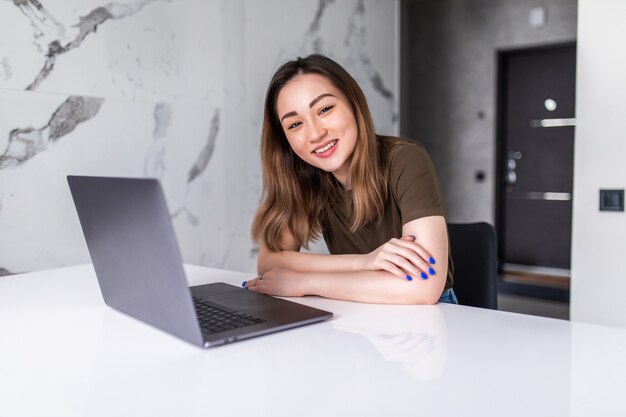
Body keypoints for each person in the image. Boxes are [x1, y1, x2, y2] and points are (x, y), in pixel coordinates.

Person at [246, 53, 457, 305]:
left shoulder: (406, 159)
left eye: (324, 109)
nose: (315, 133)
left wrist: (305, 282)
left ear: (353, 103)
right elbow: (269, 261)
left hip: (428, 314)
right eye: (295, 124)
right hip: (353, 305)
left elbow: (423, 288)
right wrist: (365, 261)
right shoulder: (306, 176)